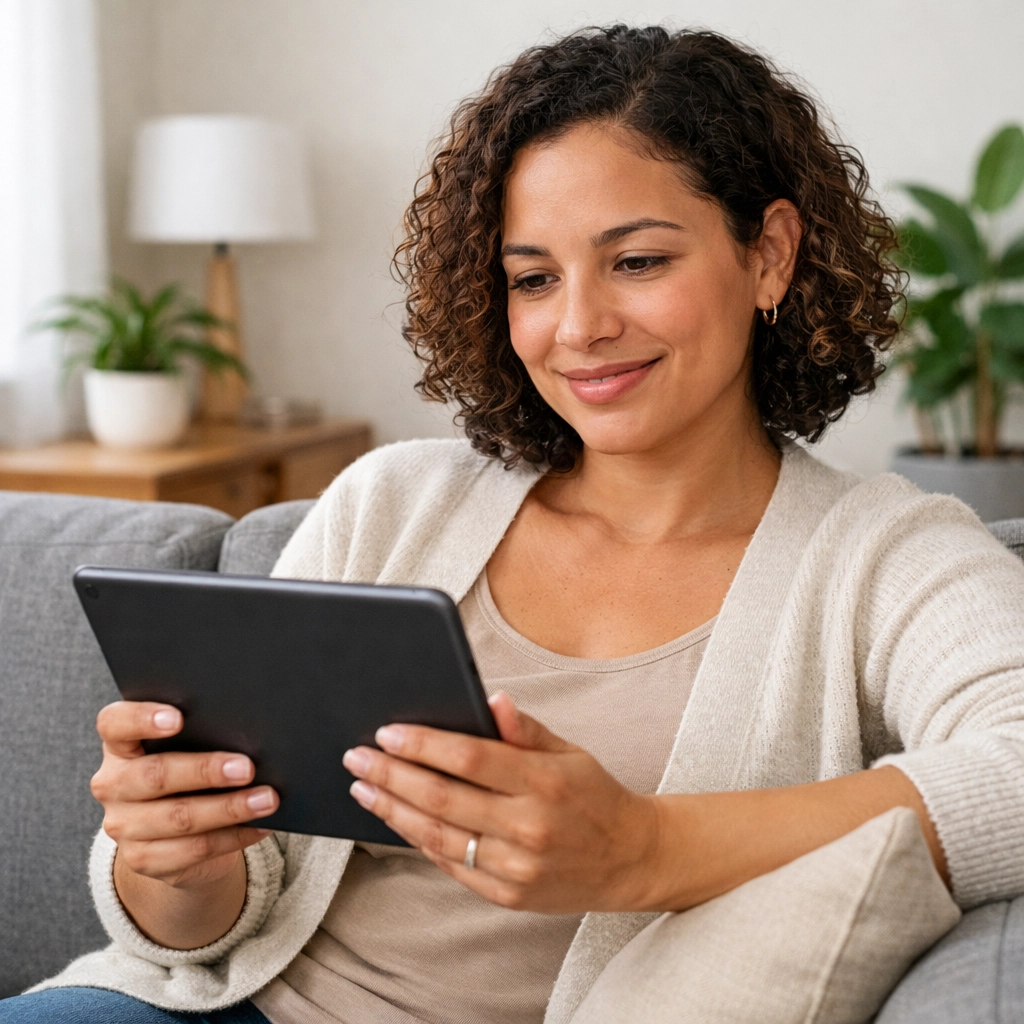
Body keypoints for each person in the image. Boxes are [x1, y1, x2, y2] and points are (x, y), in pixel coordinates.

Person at [6, 23, 1024, 1024]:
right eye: (532, 278)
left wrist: (645, 847)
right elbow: (200, 931)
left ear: (769, 256)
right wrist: (172, 856)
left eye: (637, 261)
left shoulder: (882, 555)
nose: (577, 326)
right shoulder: (393, 501)